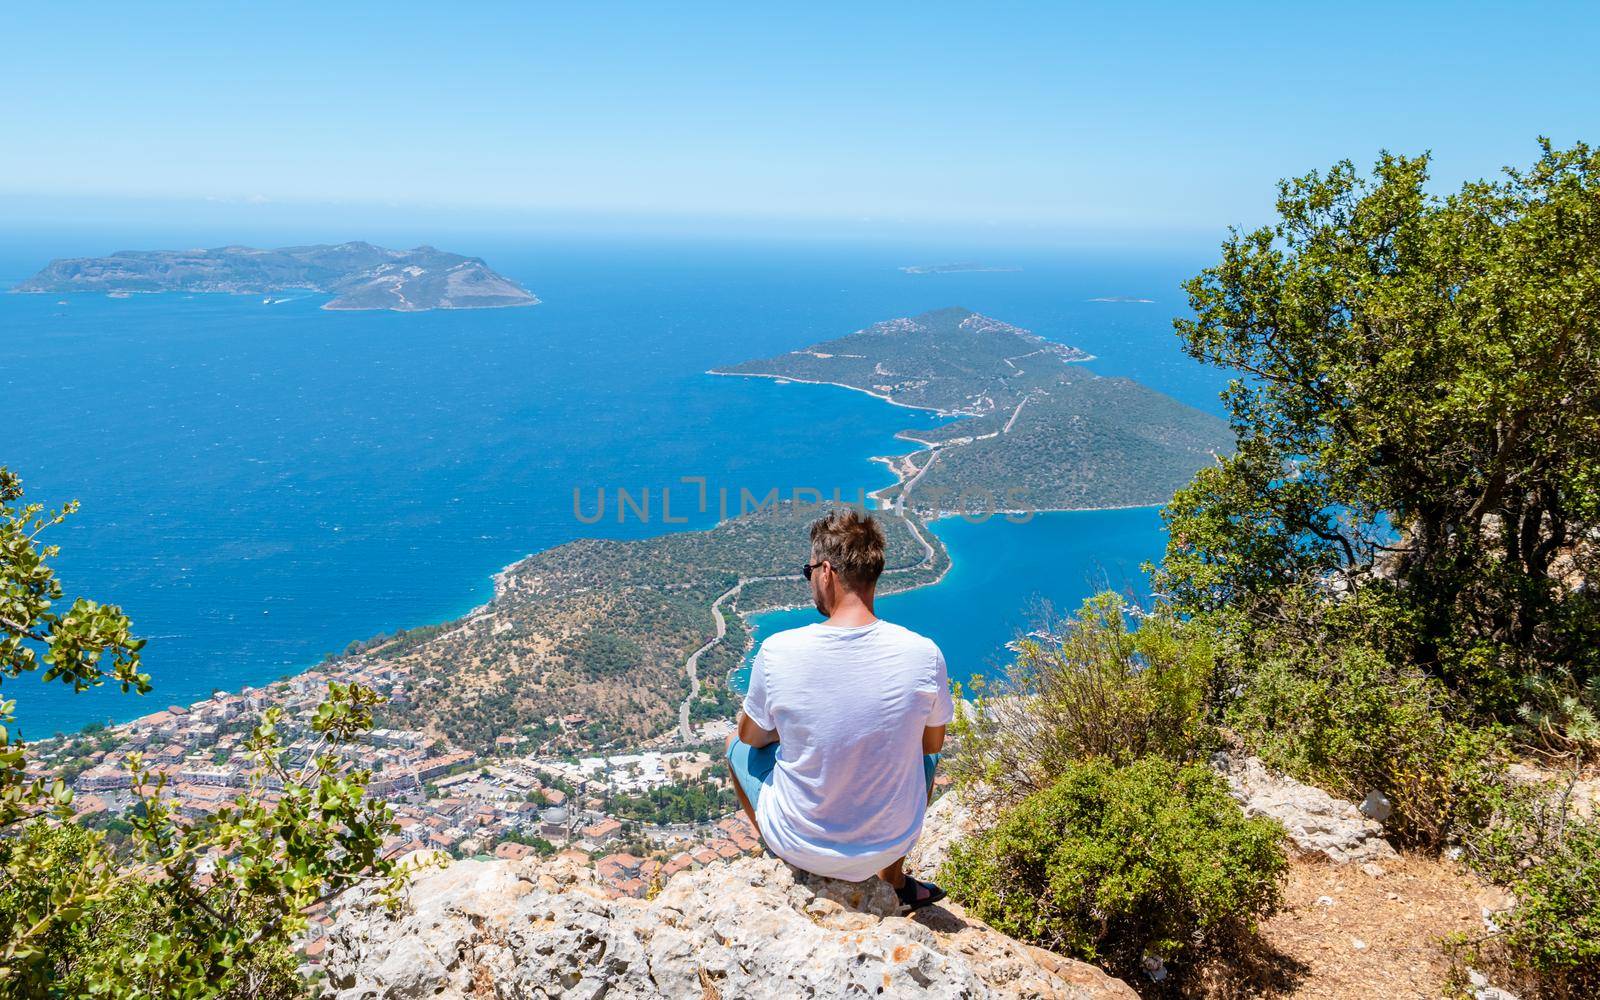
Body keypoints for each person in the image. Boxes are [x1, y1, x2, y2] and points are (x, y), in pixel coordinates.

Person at [724, 506, 954, 910]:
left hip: (802, 847)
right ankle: (895, 881)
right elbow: (931, 745)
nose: (809, 580)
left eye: (808, 571)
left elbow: (750, 737)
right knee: (924, 761)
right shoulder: (924, 653)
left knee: (733, 748)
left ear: (826, 572)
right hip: (890, 843)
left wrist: (797, 726)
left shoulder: (779, 650)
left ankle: (783, 861)